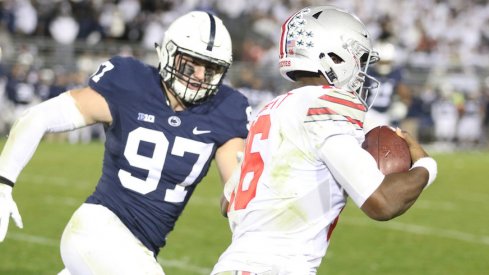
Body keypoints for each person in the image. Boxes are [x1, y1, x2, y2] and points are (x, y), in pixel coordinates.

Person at [0, 11, 250, 274]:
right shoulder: (130, 82)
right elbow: (39, 116)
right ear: (168, 53)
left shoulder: (227, 109)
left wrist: (244, 197)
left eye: (211, 68)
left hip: (139, 248)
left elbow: (234, 191)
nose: (200, 75)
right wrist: (3, 183)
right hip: (97, 229)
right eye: (192, 64)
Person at [212, 6, 438, 275]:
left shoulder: (271, 109)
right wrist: (426, 167)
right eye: (359, 57)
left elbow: (228, 203)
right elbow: (383, 202)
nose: (362, 71)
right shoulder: (326, 105)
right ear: (333, 57)